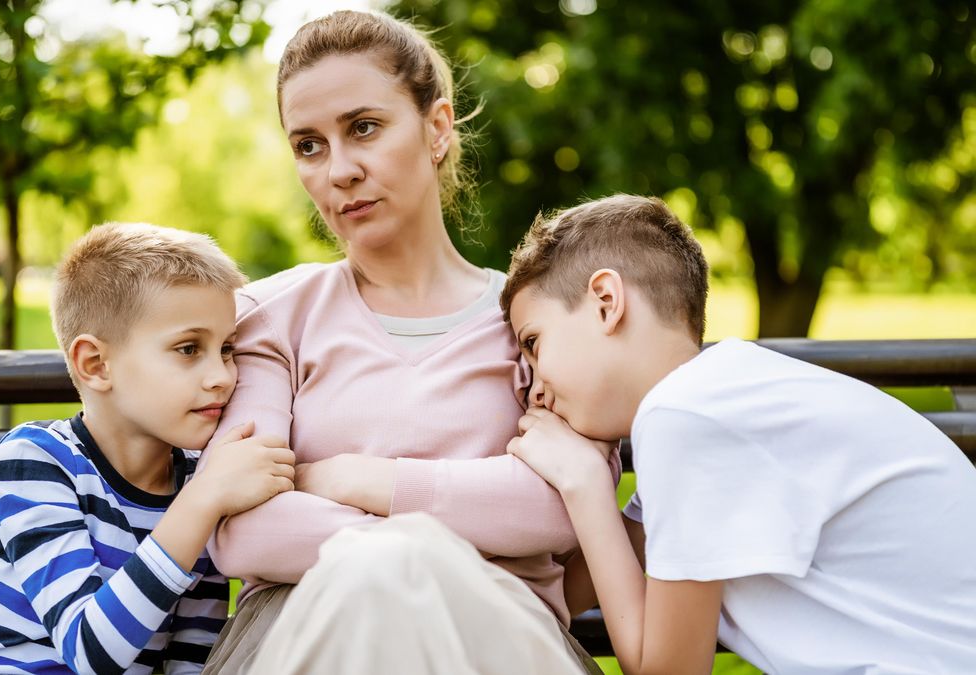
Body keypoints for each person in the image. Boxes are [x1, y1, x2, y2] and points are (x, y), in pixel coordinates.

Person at [199, 10, 603, 675]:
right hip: (301, 635)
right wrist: (421, 543)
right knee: (379, 573)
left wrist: (361, 479)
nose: (340, 170)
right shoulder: (273, 316)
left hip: (496, 638)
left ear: (436, 128)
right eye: (309, 144)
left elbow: (559, 508)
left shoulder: (531, 320)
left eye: (363, 128)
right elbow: (244, 529)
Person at [502, 194, 976, 674]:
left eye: (534, 345)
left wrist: (585, 485)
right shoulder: (714, 400)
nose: (534, 389)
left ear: (606, 302)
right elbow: (563, 593)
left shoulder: (687, 416)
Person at [0, 223, 296, 675]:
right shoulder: (36, 461)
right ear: (96, 365)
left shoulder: (202, 486)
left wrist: (205, 498)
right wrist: (202, 503)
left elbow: (189, 660)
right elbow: (89, 651)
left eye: (228, 348)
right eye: (189, 348)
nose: (222, 376)